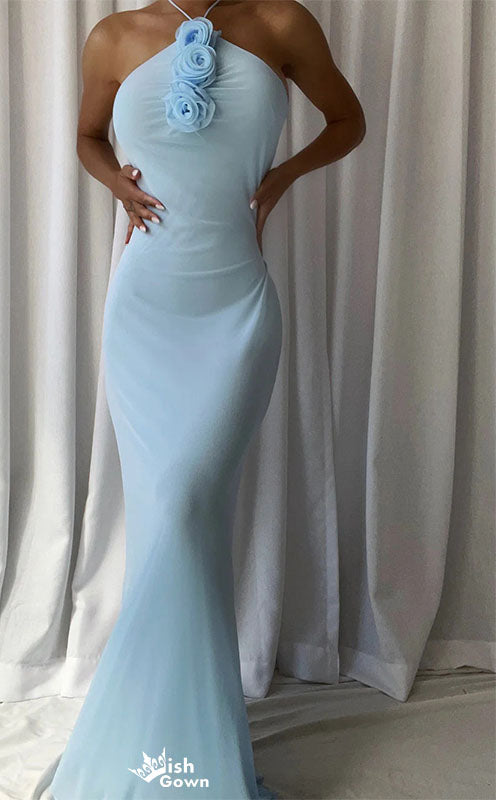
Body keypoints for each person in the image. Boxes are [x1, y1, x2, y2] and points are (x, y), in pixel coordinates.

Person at [50, 2, 365, 798]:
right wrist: (116, 184)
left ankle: (179, 749)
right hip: (144, 311)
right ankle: (160, 745)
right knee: (170, 519)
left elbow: (348, 121)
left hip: (235, 312)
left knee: (189, 509)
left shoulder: (282, 22)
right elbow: (87, 137)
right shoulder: (114, 35)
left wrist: (282, 177)